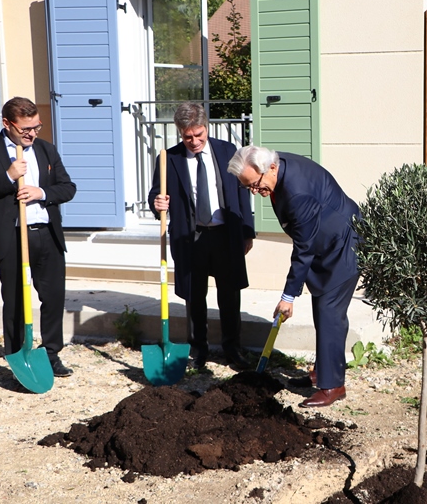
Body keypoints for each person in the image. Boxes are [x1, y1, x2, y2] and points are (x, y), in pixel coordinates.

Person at [227, 145, 360, 408]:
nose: (255, 191)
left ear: (271, 168)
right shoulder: (279, 167)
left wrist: (288, 297)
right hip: (326, 241)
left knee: (330, 312)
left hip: (343, 245)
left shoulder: (297, 193)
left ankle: (333, 386)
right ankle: (323, 371)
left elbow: (304, 248)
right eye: (248, 187)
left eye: (256, 184)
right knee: (323, 309)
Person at [148, 102, 255, 369]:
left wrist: (247, 231)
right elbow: (155, 193)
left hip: (225, 235)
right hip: (191, 238)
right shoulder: (168, 159)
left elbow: (242, 193)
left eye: (199, 135)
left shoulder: (227, 151)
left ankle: (232, 348)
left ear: (206, 127)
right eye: (188, 137)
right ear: (179, 133)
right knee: (194, 297)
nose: (194, 141)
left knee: (229, 295)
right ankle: (198, 349)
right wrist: (156, 203)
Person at [0, 97, 77, 377]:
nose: (32, 133)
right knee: (15, 301)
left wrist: (42, 193)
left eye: (36, 127)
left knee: (53, 297)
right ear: (7, 124)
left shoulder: (46, 150)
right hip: (11, 237)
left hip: (46, 234)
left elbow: (68, 187)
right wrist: (8, 177)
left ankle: (51, 353)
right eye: (26, 129)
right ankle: (18, 358)